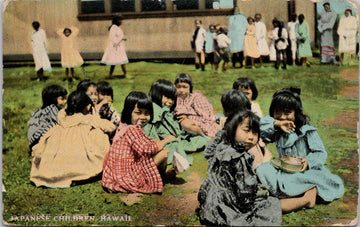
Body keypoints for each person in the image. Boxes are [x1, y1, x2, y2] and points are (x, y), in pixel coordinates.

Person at [256, 88, 344, 204]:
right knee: (263, 169)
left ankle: (294, 193)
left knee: (296, 179)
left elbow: (320, 153)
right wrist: (276, 124)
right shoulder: (277, 130)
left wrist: (308, 162)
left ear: (296, 113)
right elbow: (258, 127)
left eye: (287, 113)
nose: (282, 117)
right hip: (284, 169)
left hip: (305, 171)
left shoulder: (306, 131)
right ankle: (295, 192)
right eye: (278, 112)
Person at [198, 110, 282, 226]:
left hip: (210, 201)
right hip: (227, 205)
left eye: (255, 132)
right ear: (232, 129)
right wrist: (260, 193)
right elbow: (245, 193)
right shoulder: (240, 157)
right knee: (271, 204)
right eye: (246, 130)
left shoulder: (222, 145)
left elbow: (208, 152)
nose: (251, 137)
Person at [30, 90, 116, 187]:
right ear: (88, 106)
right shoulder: (88, 119)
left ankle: (61, 173)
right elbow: (111, 127)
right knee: (99, 133)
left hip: (58, 160)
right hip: (80, 160)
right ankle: (84, 171)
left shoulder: (62, 118)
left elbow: (62, 113)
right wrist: (95, 116)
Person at [101, 91, 177, 193]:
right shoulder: (132, 130)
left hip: (118, 174)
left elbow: (144, 144)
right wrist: (166, 140)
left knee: (156, 148)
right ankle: (161, 179)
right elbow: (147, 149)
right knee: (164, 152)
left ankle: (158, 177)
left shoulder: (123, 125)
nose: (143, 117)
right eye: (138, 112)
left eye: (146, 113)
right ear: (129, 111)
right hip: (129, 177)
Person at [143, 79, 209, 169]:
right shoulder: (155, 109)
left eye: (173, 98)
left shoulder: (165, 110)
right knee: (178, 144)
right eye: (167, 97)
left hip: (171, 137)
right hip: (161, 141)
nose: (170, 101)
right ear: (157, 95)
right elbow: (162, 131)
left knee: (197, 137)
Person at [174, 73, 220, 138]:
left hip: (200, 119)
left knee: (186, 124)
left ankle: (205, 135)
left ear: (190, 87)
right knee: (184, 124)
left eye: (185, 87)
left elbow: (204, 114)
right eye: (178, 87)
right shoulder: (177, 98)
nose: (181, 90)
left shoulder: (195, 97)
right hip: (186, 120)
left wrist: (191, 120)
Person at [27, 84, 67, 148]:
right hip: (39, 143)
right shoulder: (52, 109)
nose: (65, 101)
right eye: (62, 99)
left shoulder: (43, 109)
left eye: (65, 98)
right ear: (53, 99)